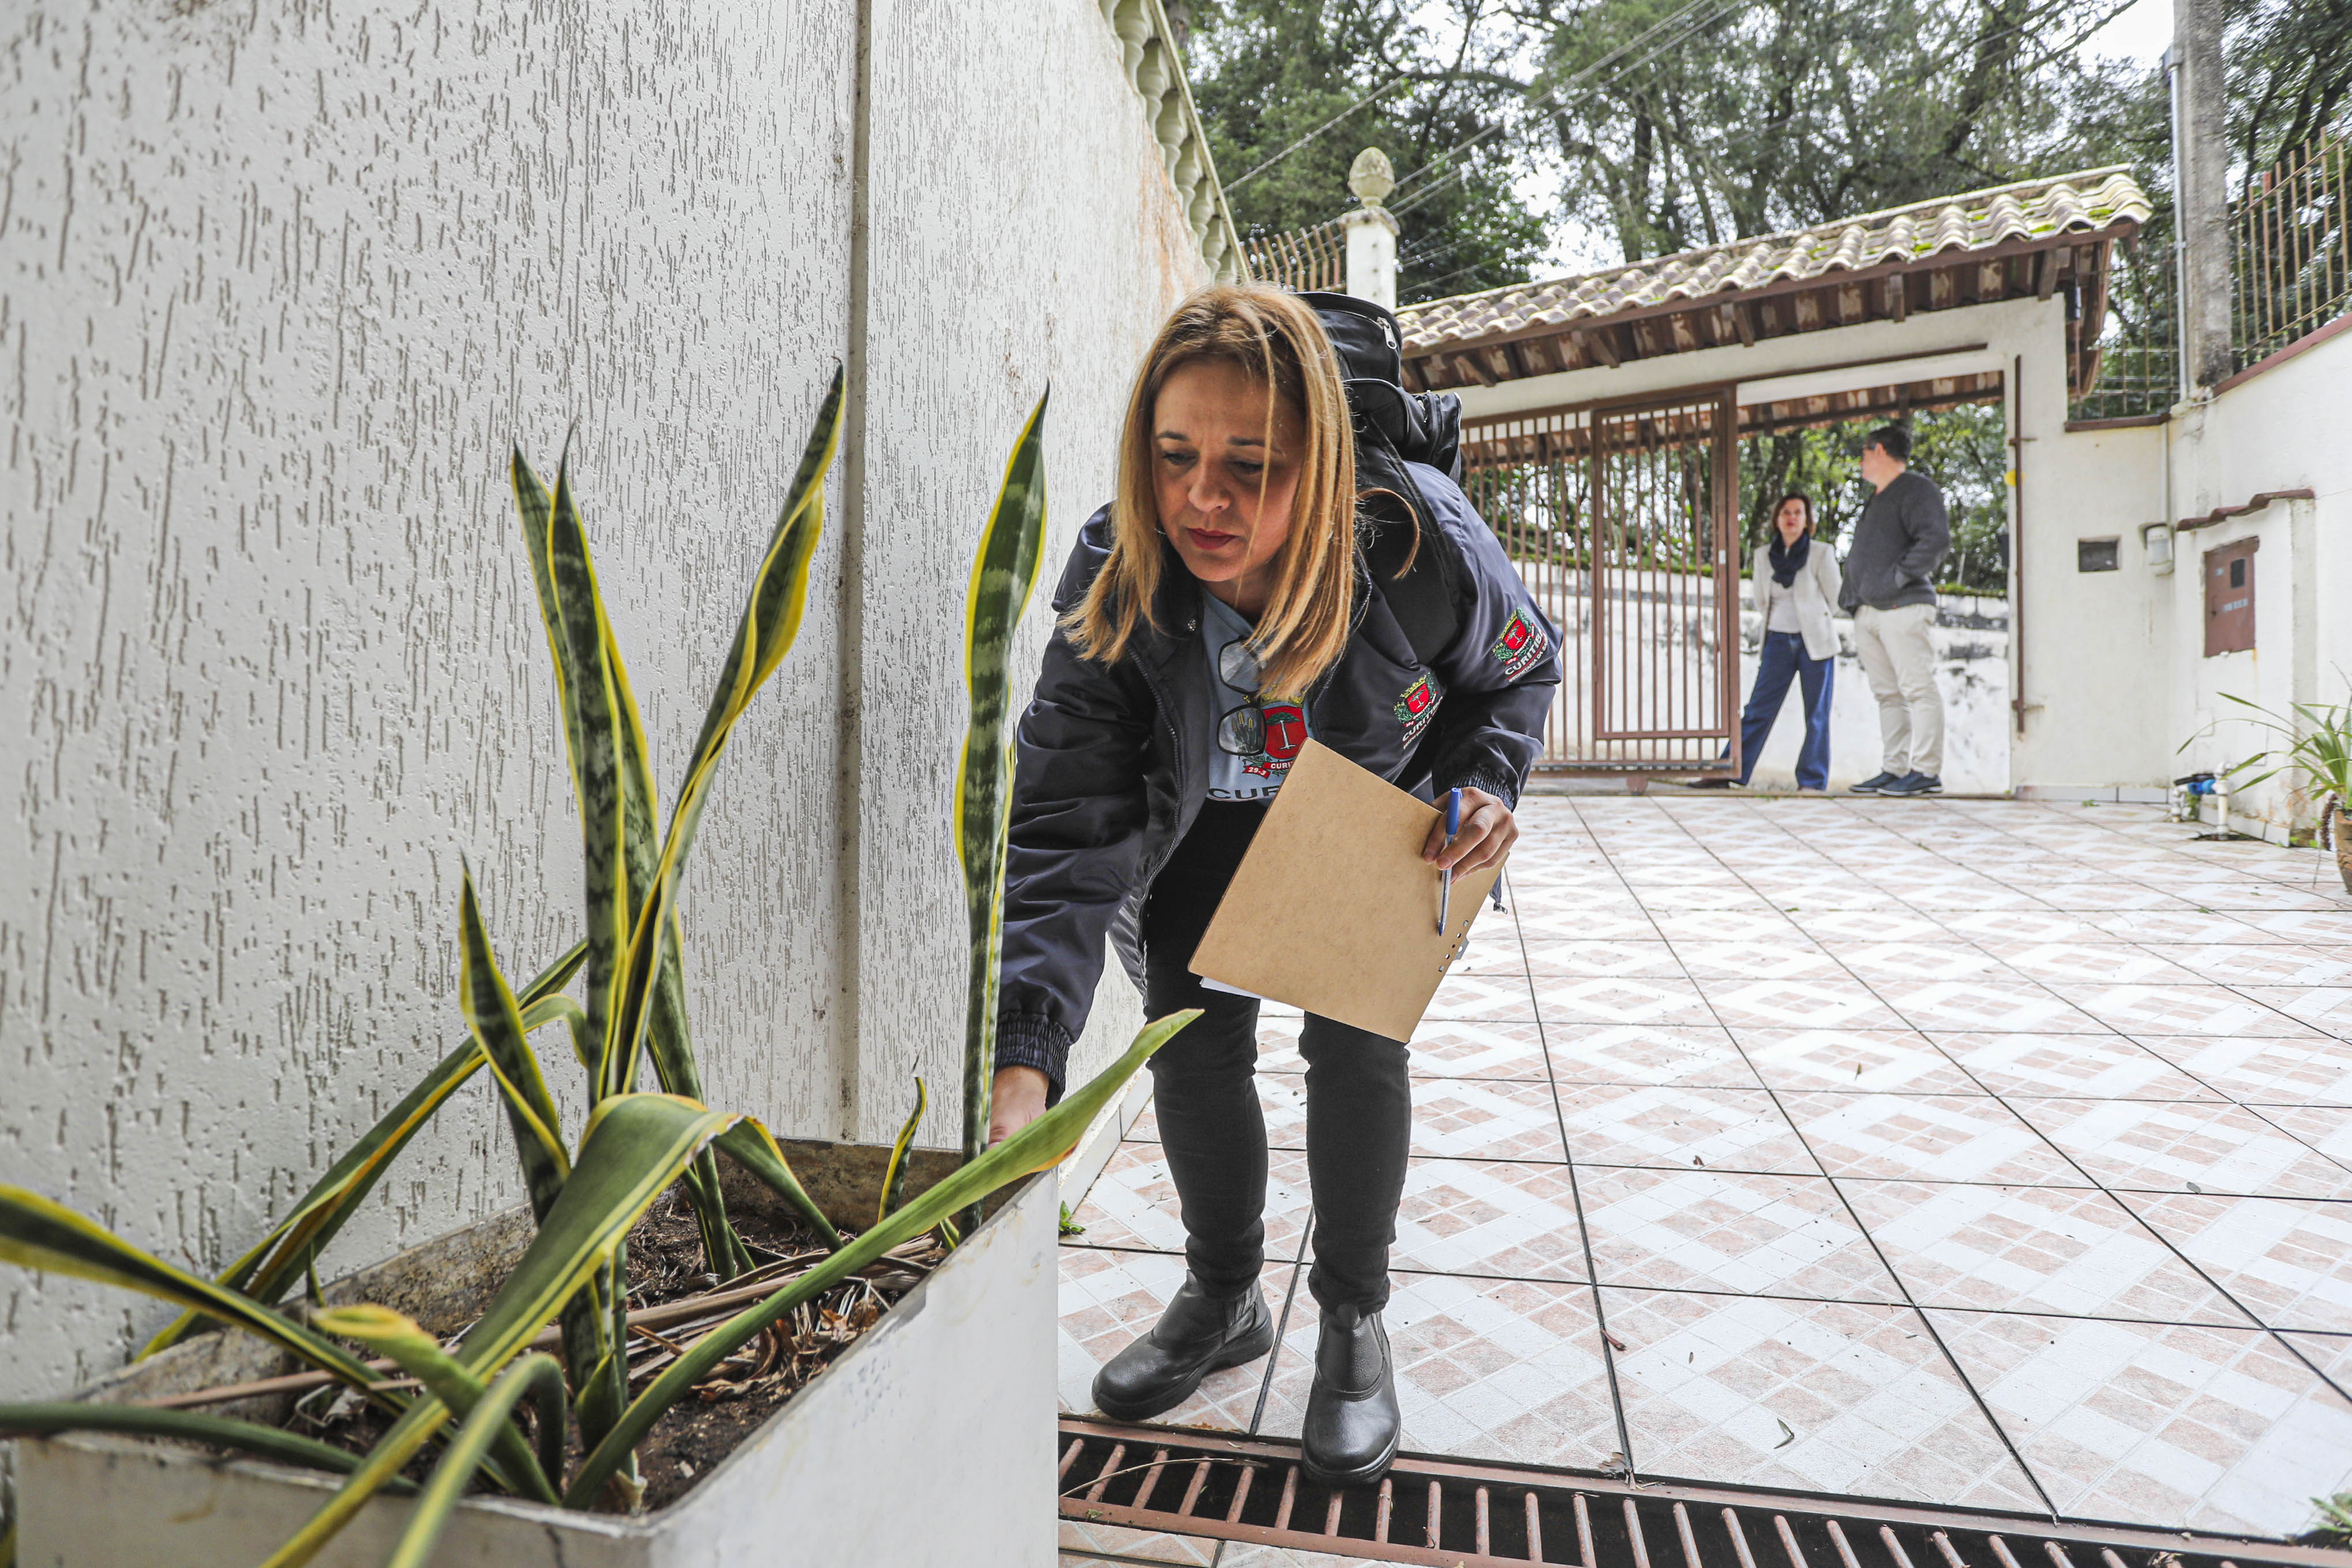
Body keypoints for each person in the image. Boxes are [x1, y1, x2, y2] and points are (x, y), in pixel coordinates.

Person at [982, 285, 1559, 1488]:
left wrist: (1488, 778)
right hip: (1203, 820)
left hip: (1369, 815)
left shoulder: (1416, 546)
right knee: (1188, 1045)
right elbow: (1065, 821)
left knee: (1353, 1052)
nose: (1203, 500)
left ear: (1333, 464)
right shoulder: (1118, 569)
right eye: (1173, 456)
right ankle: (1224, 1295)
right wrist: (1025, 1062)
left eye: (1254, 466)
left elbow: (1520, 669)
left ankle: (1351, 1319)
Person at [1689, 492, 1841, 790]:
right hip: (1777, 642)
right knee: (1758, 710)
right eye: (1786, 512)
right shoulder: (1763, 555)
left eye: (1798, 512)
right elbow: (1761, 600)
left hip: (1817, 644)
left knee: (1817, 715)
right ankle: (1727, 771)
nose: (1792, 518)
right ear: (1777, 518)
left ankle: (1812, 782)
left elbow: (1835, 599)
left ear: (1807, 520)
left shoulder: (1821, 553)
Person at [1838, 425, 1950, 796]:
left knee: (1918, 688)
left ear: (1881, 450)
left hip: (1903, 606)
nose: (1861, 460)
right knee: (1888, 695)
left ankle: (1926, 771)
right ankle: (1894, 769)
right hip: (1869, 611)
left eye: (1865, 452)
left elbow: (1935, 540)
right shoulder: (1877, 498)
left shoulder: (1917, 489)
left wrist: (1897, 578)